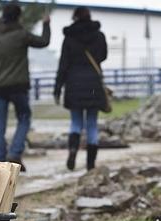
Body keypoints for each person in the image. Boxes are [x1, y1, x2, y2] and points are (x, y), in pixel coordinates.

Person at [0, 3, 51, 171]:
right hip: (19, 87)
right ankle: (15, 153)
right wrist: (46, 24)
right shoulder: (21, 35)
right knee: (24, 118)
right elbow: (43, 42)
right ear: (18, 17)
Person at [54, 6, 107, 171]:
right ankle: (90, 164)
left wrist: (57, 88)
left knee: (75, 122)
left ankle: (72, 151)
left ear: (74, 17)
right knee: (92, 124)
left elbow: (63, 65)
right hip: (93, 84)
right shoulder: (98, 36)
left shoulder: (69, 38)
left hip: (74, 85)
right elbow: (103, 56)